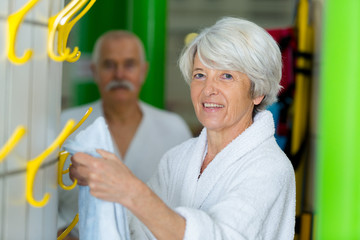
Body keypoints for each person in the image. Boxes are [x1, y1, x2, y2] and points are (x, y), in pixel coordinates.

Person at [70, 17, 296, 239]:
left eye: (226, 76)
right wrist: (102, 177)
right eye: (200, 75)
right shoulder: (178, 158)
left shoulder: (270, 168)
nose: (208, 90)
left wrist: (130, 189)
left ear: (258, 92)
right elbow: (136, 229)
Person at [57, 30, 192, 238]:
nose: (119, 74)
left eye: (129, 65)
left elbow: (187, 202)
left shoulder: (174, 128)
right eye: (109, 65)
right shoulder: (66, 125)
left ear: (143, 71)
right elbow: (41, 200)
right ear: (94, 71)